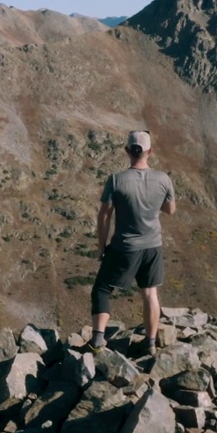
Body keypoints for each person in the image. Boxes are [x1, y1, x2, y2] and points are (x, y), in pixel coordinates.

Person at [89, 130, 176, 354]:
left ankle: (98, 339)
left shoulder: (117, 180)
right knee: (149, 293)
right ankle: (150, 342)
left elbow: (104, 216)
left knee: (102, 288)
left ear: (127, 150)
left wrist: (101, 247)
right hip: (153, 246)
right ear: (150, 151)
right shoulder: (163, 179)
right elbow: (170, 210)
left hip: (125, 247)